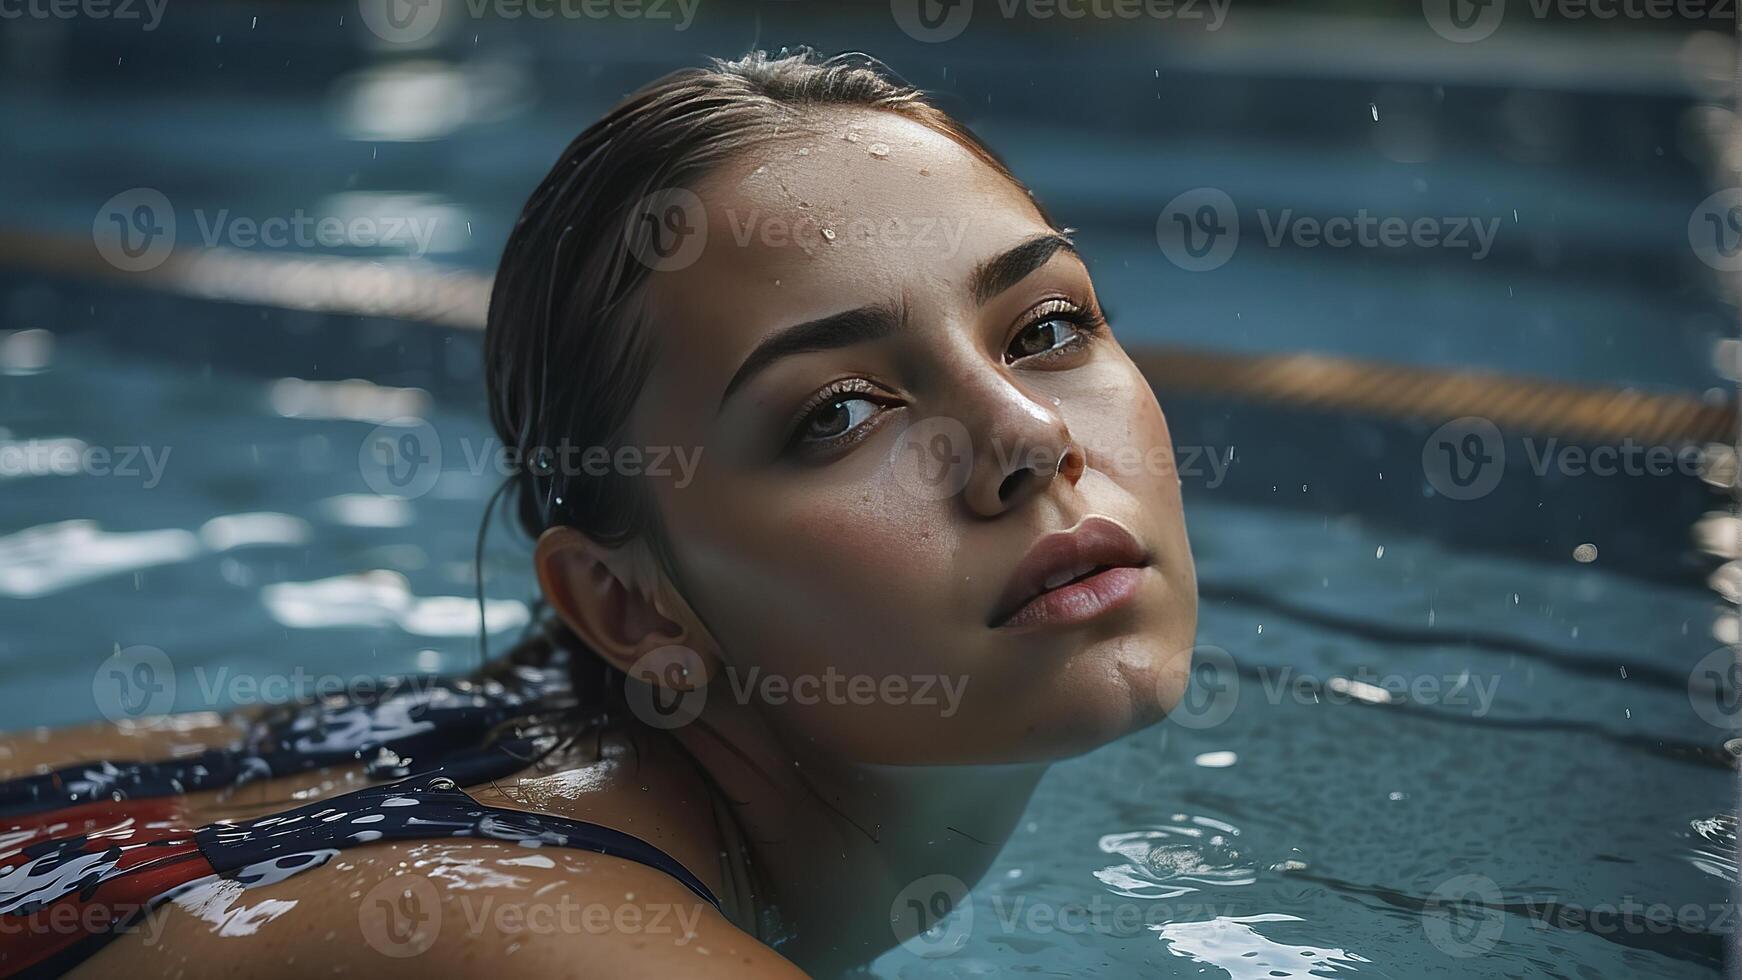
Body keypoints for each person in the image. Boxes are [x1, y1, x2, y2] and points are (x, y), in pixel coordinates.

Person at [0, 49, 1197, 978]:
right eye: (836, 413)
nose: (1027, 438)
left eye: (1046, 328)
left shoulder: (497, 738)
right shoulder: (562, 935)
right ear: (628, 605)